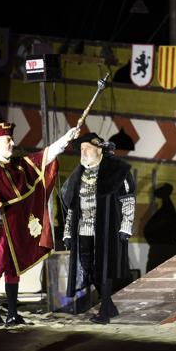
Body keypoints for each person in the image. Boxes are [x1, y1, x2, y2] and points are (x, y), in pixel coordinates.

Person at [0, 122, 77, 326]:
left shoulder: (18, 165)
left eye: (11, 139)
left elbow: (44, 156)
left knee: (14, 270)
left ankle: (12, 314)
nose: (12, 143)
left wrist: (66, 138)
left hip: (15, 230)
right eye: (8, 140)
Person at [60, 133, 136, 324]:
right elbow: (72, 206)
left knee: (104, 268)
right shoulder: (78, 175)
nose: (83, 152)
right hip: (83, 231)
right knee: (89, 270)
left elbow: (127, 200)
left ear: (99, 149)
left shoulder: (115, 171)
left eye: (87, 148)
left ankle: (105, 311)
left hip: (106, 229)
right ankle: (109, 306)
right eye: (81, 149)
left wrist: (126, 226)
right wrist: (68, 232)